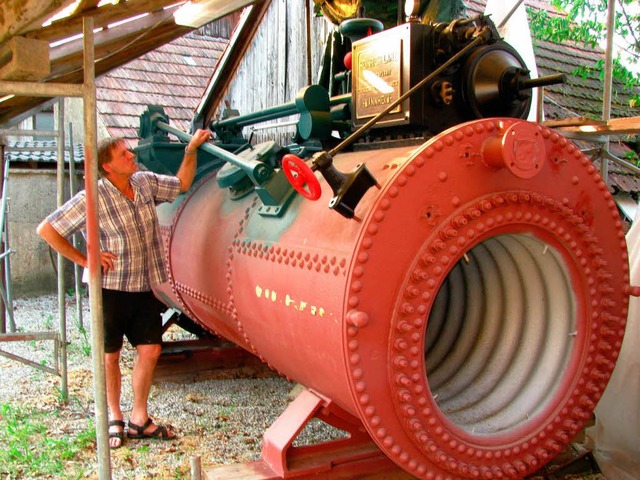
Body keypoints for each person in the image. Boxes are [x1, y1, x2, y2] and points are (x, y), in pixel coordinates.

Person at [37, 129, 211, 449]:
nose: (132, 156)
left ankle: (139, 418)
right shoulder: (94, 195)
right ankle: (114, 416)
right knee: (110, 357)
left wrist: (190, 150)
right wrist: (86, 259)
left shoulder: (143, 182)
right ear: (107, 166)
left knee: (151, 349)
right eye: (123, 154)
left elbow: (183, 184)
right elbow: (47, 229)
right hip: (110, 288)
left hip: (143, 284)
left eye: (129, 151)